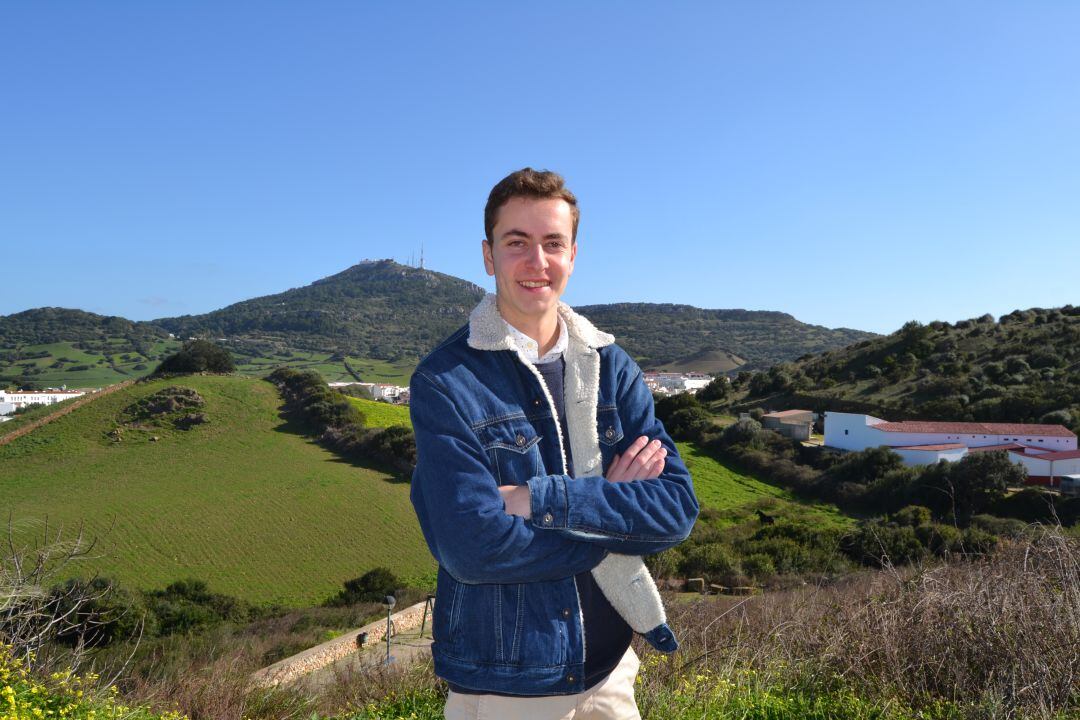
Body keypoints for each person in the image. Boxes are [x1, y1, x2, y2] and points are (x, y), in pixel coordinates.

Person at [409, 168, 698, 719]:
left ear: (572, 254)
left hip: (611, 671)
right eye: (516, 243)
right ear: (489, 256)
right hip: (509, 686)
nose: (536, 261)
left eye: (552, 244)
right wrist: (611, 511)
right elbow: (470, 548)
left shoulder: (611, 366)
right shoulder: (446, 381)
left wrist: (541, 500)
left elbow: (676, 510)